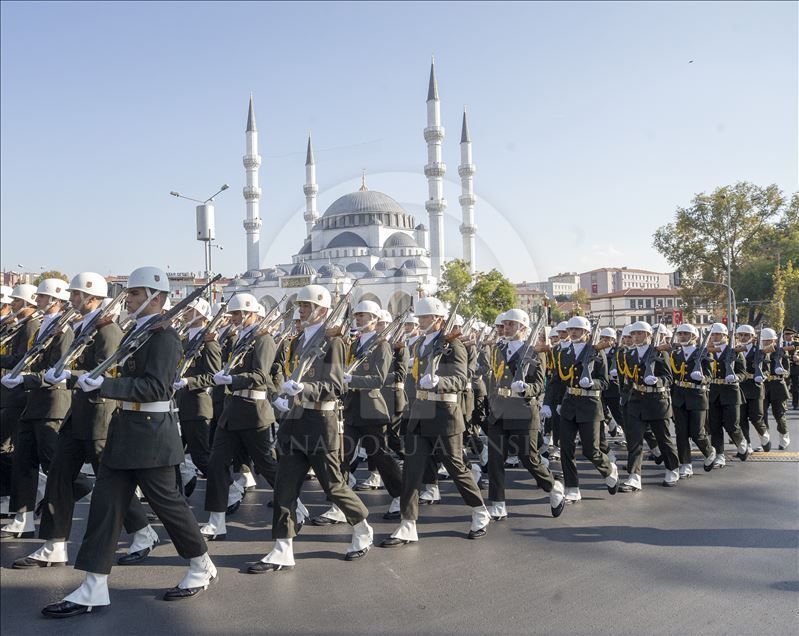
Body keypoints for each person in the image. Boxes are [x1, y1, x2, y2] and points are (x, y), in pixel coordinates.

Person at [41, 266, 216, 619]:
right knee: (105, 510)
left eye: (134, 294)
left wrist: (103, 386)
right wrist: (84, 378)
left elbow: (156, 387)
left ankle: (201, 564)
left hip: (151, 434)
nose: (128, 298)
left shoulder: (165, 338)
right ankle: (94, 586)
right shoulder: (138, 332)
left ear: (156, 297)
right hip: (126, 430)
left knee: (169, 506)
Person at [252, 285, 371, 571]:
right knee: (284, 487)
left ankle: (363, 527)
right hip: (294, 422)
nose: (301, 310)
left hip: (320, 423)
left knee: (333, 486)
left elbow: (335, 385)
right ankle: (282, 548)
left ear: (323, 311)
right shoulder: (295, 341)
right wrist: (284, 394)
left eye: (307, 306)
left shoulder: (334, 342)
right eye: (300, 305)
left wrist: (305, 388)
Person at [381, 297, 490, 547]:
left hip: (444, 414)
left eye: (426, 317)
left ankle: (479, 511)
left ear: (439, 319)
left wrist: (439, 382)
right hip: (419, 412)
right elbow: (413, 378)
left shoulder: (453, 346)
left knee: (456, 468)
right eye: (420, 317)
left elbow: (462, 379)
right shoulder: (419, 343)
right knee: (412, 470)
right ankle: (408, 524)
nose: (421, 321)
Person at [201, 292, 281, 541]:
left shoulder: (263, 339)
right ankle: (217, 521)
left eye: (236, 313)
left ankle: (293, 503)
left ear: (250, 313)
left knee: (267, 465)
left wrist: (232, 379)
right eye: (233, 314)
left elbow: (261, 375)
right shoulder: (241, 338)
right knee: (216, 464)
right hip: (232, 410)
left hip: (253, 411)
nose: (233, 318)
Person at [315, 300, 403, 524]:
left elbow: (379, 379)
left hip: (372, 408)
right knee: (341, 457)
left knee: (380, 456)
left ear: (375, 319)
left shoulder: (381, 344)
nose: (359, 319)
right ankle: (340, 506)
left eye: (364, 315)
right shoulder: (353, 344)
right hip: (351, 409)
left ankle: (401, 496)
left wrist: (351, 379)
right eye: (357, 315)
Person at [1, 279, 74, 539]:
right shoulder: (44, 325)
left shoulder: (63, 329)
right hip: (33, 401)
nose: (38, 300)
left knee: (54, 462)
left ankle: (80, 488)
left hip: (51, 403)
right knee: (23, 461)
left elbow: (56, 368)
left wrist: (25, 378)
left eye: (42, 297)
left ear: (55, 300)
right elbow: (27, 359)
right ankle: (23, 518)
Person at [485, 308, 565, 520]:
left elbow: (539, 385)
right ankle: (498, 503)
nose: (506, 328)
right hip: (499, 409)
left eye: (511, 324)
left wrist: (525, 389)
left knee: (528, 457)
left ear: (523, 327)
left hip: (522, 409)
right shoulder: (498, 348)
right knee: (495, 458)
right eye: (504, 324)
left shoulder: (535, 351)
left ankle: (552, 486)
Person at [544, 316, 619, 503]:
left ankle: (608, 470)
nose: (573, 332)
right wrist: (548, 403)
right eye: (571, 329)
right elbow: (556, 381)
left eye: (577, 329)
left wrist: (591, 383)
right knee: (565, 449)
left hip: (590, 405)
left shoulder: (595, 352)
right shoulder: (563, 352)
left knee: (590, 450)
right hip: (569, 404)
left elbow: (605, 382)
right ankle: (572, 487)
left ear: (586, 332)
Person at [619, 321, 679, 492]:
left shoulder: (660, 354)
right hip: (636, 401)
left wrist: (657, 381)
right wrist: (625, 398)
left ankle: (672, 469)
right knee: (634, 441)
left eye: (640, 333)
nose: (636, 337)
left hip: (657, 400)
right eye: (634, 334)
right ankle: (634, 477)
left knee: (663, 439)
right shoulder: (629, 355)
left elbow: (669, 378)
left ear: (648, 336)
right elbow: (628, 380)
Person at [0, 284, 40, 518]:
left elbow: (23, 359)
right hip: (8, 391)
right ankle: (9, 497)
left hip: (19, 394)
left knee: (12, 450)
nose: (14, 305)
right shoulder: (18, 326)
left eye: (17, 301)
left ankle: (12, 498)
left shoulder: (31, 326)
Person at [668, 323, 717, 478]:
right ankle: (686, 464)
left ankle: (709, 451)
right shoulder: (675, 355)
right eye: (680, 334)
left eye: (686, 334)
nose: (682, 336)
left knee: (697, 432)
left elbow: (710, 376)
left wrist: (703, 379)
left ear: (694, 337)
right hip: (679, 396)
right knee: (681, 432)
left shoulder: (703, 353)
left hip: (697, 396)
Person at [705, 322, 749, 468]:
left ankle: (741, 442)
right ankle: (719, 455)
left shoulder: (735, 351)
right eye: (713, 334)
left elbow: (743, 373)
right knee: (714, 425)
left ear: (725, 336)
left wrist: (736, 377)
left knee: (732, 425)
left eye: (718, 334)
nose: (715, 337)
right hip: (714, 392)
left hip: (730, 392)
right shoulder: (708, 351)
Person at [735, 324, 770, 453]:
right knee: (742, 418)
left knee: (756, 417)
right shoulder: (735, 351)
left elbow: (766, 370)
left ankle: (764, 434)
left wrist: (763, 376)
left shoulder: (759, 351)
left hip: (755, 387)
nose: (743, 338)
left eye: (747, 335)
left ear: (752, 337)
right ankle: (747, 444)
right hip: (740, 387)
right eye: (741, 335)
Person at [759, 328, 791, 450]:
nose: (766, 343)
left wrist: (782, 372)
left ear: (774, 340)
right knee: (762, 415)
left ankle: (784, 437)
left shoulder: (780, 351)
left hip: (778, 385)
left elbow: (788, 371)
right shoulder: (760, 352)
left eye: (769, 340)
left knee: (779, 414)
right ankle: (765, 440)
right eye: (764, 340)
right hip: (764, 385)